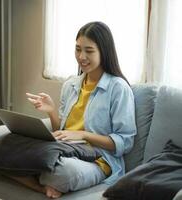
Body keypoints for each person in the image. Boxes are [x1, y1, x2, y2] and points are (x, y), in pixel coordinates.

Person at [21, 21, 137, 198]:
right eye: (78, 49)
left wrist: (84, 135)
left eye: (89, 51)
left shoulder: (118, 88)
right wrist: (51, 111)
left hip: (97, 160)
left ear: (104, 52)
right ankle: (42, 186)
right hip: (65, 150)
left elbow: (124, 142)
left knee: (64, 172)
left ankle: (30, 177)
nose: (81, 56)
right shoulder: (71, 85)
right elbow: (61, 132)